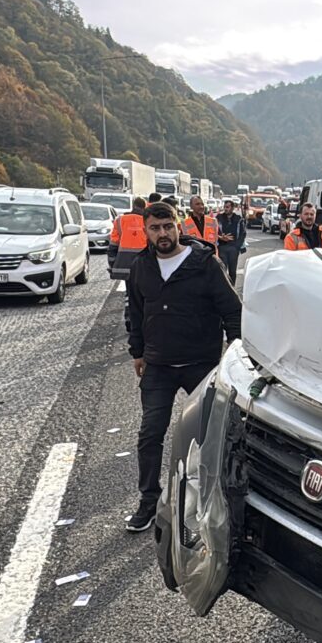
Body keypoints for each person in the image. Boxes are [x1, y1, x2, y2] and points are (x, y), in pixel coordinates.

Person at [125, 202, 242, 532]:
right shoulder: (141, 267)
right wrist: (138, 352)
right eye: (155, 228)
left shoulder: (204, 264)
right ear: (146, 230)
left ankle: (214, 499)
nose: (162, 234)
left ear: (179, 227)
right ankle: (149, 501)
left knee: (212, 435)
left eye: (167, 226)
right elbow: (134, 312)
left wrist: (234, 355)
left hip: (200, 364)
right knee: (150, 435)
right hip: (159, 364)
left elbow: (233, 311)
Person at [108, 196, 148, 276]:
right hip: (143, 262)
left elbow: (113, 245)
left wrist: (112, 265)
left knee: (129, 285)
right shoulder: (147, 221)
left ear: (133, 206)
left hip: (123, 262)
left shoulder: (120, 220)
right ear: (145, 207)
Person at [215, 198, 246, 285]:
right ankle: (224, 288)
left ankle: (232, 288)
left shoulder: (238, 219)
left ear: (232, 208)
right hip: (222, 247)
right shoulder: (219, 218)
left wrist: (237, 246)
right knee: (223, 269)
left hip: (233, 248)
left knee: (232, 271)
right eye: (225, 207)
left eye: (228, 207)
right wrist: (221, 237)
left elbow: (243, 234)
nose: (226, 209)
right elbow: (213, 231)